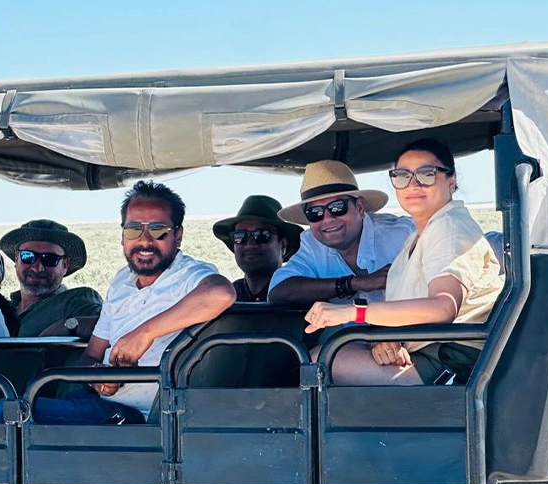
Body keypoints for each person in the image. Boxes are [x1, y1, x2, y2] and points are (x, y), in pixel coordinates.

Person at [0, 181, 236, 424]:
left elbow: (221, 293)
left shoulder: (187, 274)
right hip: (103, 402)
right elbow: (91, 355)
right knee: (12, 404)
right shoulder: (122, 280)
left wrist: (144, 334)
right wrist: (98, 378)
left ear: (178, 235)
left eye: (158, 230)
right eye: (133, 230)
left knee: (3, 413)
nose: (144, 241)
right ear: (123, 236)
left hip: (146, 416)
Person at [304, 138, 504, 385]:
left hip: (453, 360)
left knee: (322, 360)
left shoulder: (449, 227)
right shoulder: (420, 234)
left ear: (451, 181)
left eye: (427, 174)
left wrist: (352, 312)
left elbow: (442, 307)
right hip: (425, 349)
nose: (413, 184)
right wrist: (386, 338)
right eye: (402, 176)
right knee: (329, 352)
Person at [268, 160, 415, 305]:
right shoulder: (312, 244)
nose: (327, 219)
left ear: (359, 207)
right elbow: (278, 291)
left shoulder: (405, 234)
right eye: (315, 213)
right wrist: (351, 284)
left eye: (337, 208)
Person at [0, 219, 102, 337]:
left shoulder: (77, 301)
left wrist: (68, 325)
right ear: (17, 259)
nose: (37, 267)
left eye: (50, 259)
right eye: (28, 256)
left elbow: (113, 326)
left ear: (65, 264)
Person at [212, 195, 302, 302]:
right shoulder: (224, 300)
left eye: (261, 235)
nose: (250, 244)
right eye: (240, 236)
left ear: (283, 245)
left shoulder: (302, 296)